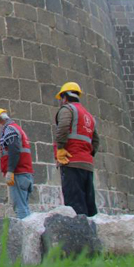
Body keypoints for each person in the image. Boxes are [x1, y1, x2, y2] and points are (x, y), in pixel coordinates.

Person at [54, 82, 100, 216]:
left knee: (74, 204)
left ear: (64, 97)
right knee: (89, 204)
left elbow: (63, 127)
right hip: (87, 164)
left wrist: (61, 148)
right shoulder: (89, 116)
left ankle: (80, 236)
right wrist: (88, 154)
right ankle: (92, 233)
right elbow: (96, 140)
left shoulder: (67, 109)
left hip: (71, 161)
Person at [0, 108, 34, 219]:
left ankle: (25, 235)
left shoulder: (9, 129)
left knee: (20, 209)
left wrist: (10, 171)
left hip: (19, 174)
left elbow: (14, 150)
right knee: (24, 206)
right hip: (26, 173)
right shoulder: (18, 128)